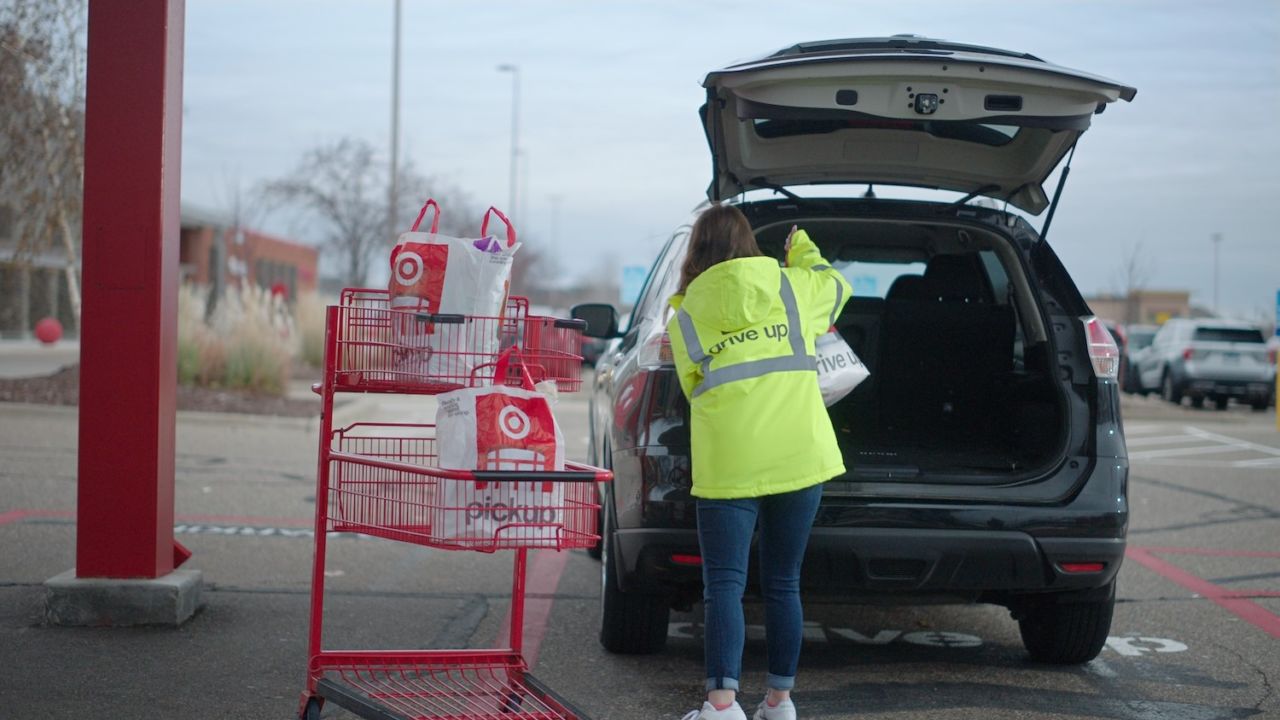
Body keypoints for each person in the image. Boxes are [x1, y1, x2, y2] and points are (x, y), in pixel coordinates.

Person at [666, 204, 851, 720]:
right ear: (749, 244)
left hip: (729, 461)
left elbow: (691, 387)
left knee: (724, 582)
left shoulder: (684, 318)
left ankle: (722, 707)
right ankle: (779, 702)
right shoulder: (793, 288)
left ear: (695, 252)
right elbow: (836, 284)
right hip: (799, 453)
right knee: (784, 580)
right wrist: (803, 252)